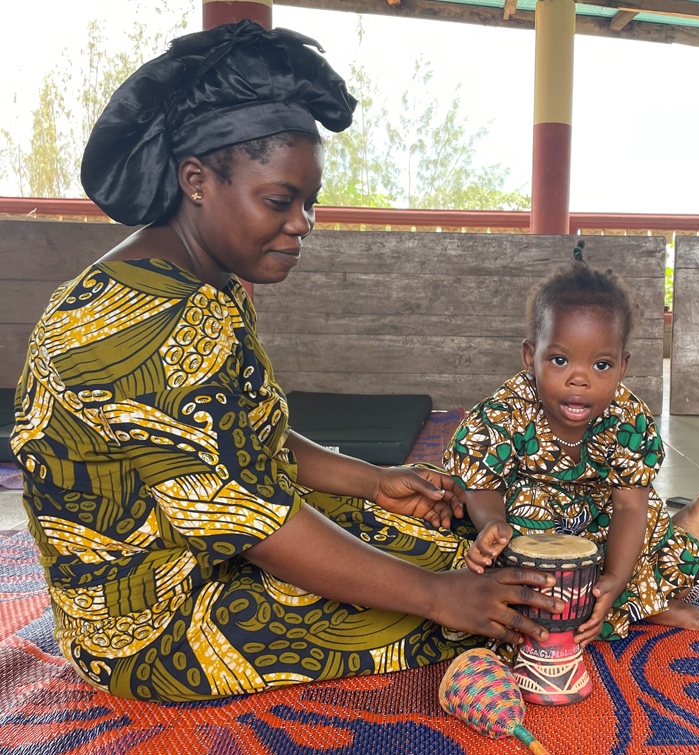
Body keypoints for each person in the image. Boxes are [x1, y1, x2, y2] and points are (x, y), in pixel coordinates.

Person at [10, 22, 563, 703]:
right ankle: (640, 577)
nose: (303, 222)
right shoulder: (144, 327)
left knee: (453, 538)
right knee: (491, 608)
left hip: (213, 549)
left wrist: (373, 480)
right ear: (197, 181)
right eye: (279, 200)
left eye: (309, 203)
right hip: (153, 630)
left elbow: (244, 435)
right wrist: (437, 597)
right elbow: (255, 523)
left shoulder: (197, 283)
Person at [444, 244, 699, 647]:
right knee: (461, 542)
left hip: (602, 522)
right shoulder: (504, 412)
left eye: (601, 365)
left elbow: (628, 505)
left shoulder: (628, 419)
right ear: (531, 357)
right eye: (560, 360)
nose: (579, 379)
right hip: (527, 525)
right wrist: (492, 523)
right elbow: (483, 485)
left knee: (646, 517)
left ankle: (643, 598)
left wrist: (615, 577)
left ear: (622, 366)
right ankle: (642, 601)